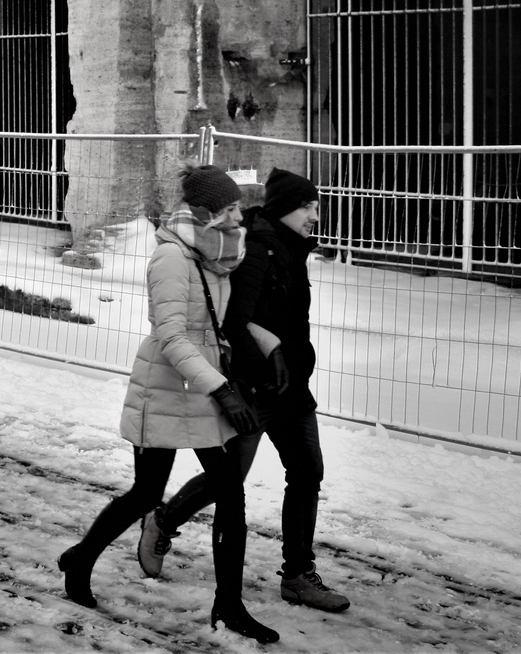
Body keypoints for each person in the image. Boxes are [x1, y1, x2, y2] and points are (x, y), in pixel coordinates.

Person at [58, 165, 278, 644]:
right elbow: (173, 337)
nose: (240, 215)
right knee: (145, 494)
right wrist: (221, 389)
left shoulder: (218, 256)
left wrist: (268, 345)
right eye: (233, 207)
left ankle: (229, 608)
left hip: (201, 386)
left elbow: (220, 326)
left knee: (231, 493)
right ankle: (80, 559)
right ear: (208, 212)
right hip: (166, 387)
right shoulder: (173, 259)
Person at [139, 169, 349, 614]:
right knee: (227, 482)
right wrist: (258, 371)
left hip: (291, 388)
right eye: (309, 207)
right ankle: (162, 520)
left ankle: (297, 575)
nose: (317, 215)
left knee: (307, 472)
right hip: (256, 388)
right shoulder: (256, 250)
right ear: (286, 208)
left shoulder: (292, 249)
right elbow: (236, 323)